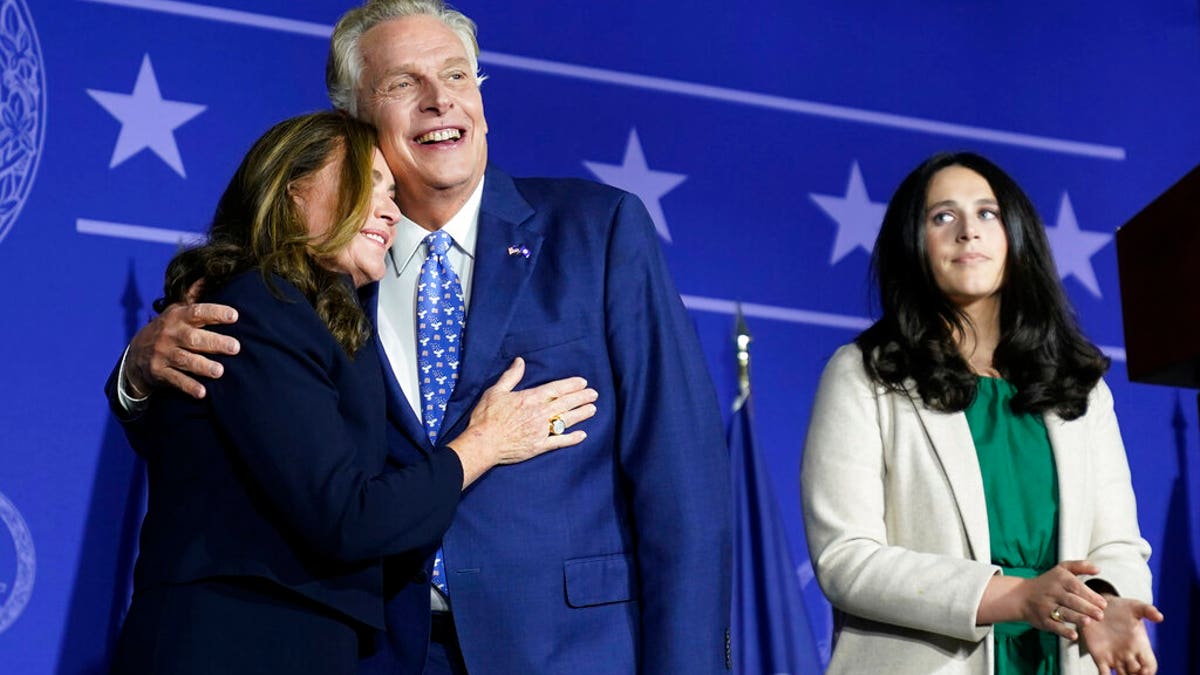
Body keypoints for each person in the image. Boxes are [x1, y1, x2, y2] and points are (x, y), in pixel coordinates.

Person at [110, 1, 732, 673]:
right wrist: (136, 376)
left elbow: (682, 479)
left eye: (458, 76)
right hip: (373, 651)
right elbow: (239, 443)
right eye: (404, 84)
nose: (440, 101)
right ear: (353, 118)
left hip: (565, 649)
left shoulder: (598, 231)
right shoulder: (319, 277)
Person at [107, 111, 596, 674]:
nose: (391, 211)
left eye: (393, 193)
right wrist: (484, 443)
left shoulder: (317, 316)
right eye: (368, 185)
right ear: (293, 190)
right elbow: (347, 515)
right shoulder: (262, 305)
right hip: (234, 640)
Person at [800, 151, 1162, 675]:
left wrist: (1102, 600)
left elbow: (1118, 543)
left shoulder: (1079, 386)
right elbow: (846, 559)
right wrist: (1015, 597)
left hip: (1059, 657)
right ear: (913, 244)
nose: (968, 232)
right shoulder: (863, 374)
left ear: (1016, 235)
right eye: (942, 216)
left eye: (987, 213)